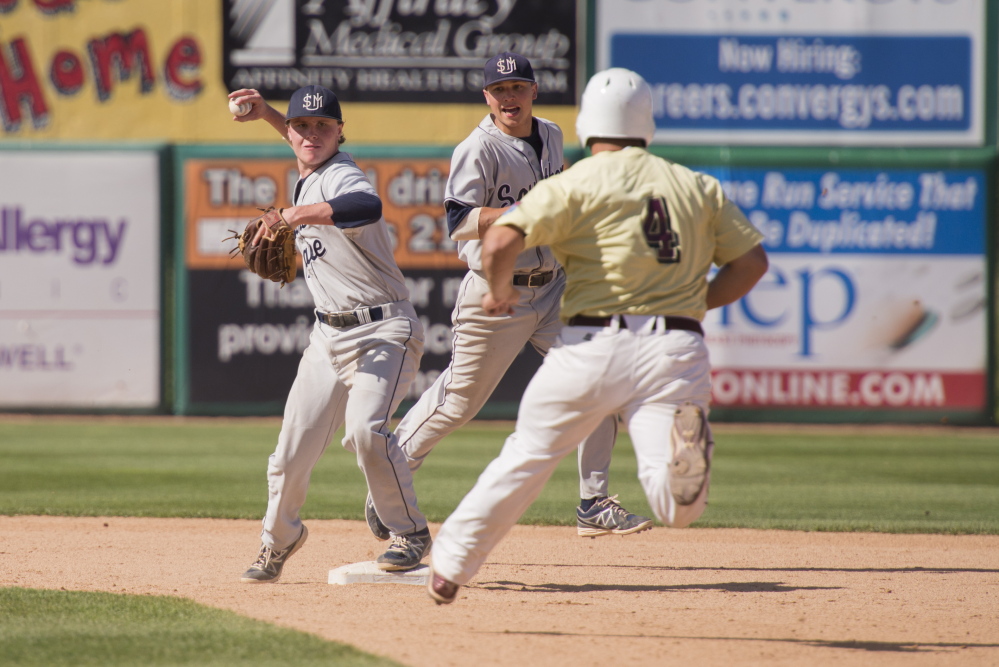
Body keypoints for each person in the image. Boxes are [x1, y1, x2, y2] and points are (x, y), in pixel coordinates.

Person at [425, 68, 770, 604]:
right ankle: (679, 475)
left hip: (591, 345)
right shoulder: (696, 185)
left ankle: (449, 566)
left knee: (527, 456)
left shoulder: (575, 181)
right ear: (647, 124)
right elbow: (751, 264)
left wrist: (497, 290)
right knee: (671, 489)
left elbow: (496, 245)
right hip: (676, 348)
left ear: (588, 124)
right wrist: (695, 303)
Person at [365, 52, 652, 542]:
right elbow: (458, 224)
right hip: (496, 291)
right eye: (500, 90)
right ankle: (389, 476)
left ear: (533, 91)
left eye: (518, 87)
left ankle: (593, 500)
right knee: (458, 402)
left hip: (554, 284)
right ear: (487, 97)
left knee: (600, 376)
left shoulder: (554, 134)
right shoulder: (477, 149)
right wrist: (527, 210)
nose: (509, 97)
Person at [229, 85, 432, 581]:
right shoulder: (309, 169)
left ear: (341, 132)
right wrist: (270, 116)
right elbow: (303, 145)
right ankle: (279, 542)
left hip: (384, 329)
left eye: (324, 126)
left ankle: (409, 531)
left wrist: (292, 216)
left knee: (365, 430)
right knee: (289, 455)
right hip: (327, 339)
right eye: (302, 125)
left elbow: (367, 206)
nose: (310, 134)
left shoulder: (341, 174)